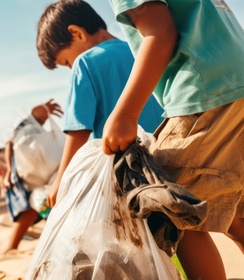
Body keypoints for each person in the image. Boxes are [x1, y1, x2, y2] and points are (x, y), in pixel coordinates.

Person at [101, 0, 244, 278]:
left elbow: (160, 32)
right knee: (237, 211)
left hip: (203, 88)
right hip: (235, 82)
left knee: (168, 206)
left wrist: (126, 114)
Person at [35, 0, 164, 209]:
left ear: (77, 33)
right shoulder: (141, 50)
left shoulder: (84, 63)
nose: (70, 68)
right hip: (168, 153)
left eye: (66, 62)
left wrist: (60, 182)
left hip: (130, 173)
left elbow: (78, 133)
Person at [3, 99, 64, 252]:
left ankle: (12, 247)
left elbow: (9, 144)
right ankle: (14, 246)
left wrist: (9, 171)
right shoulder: (33, 131)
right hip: (45, 174)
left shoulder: (23, 129)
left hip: (29, 175)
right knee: (38, 205)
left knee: (30, 208)